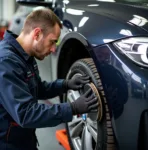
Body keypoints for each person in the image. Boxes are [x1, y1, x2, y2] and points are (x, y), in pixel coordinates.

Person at [0, 8, 99, 150]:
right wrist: (72, 108)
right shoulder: (6, 62)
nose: (53, 49)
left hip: (22, 139)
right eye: (52, 42)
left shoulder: (24, 56)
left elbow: (38, 89)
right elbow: (26, 114)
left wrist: (66, 84)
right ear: (37, 34)